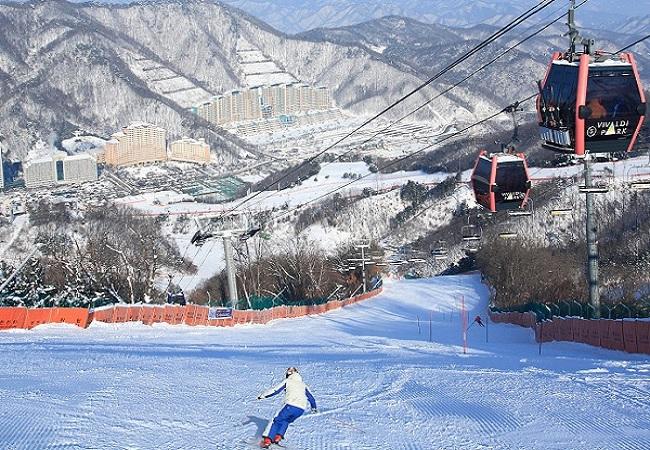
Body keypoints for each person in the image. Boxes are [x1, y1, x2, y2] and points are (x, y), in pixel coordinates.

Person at [257, 367, 317, 448]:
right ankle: (278, 437)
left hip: (290, 406)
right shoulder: (303, 385)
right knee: (286, 420)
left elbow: (276, 390)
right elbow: (311, 398)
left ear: (289, 374)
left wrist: (263, 396)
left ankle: (267, 440)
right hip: (301, 409)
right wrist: (314, 408)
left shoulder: (288, 381)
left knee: (277, 420)